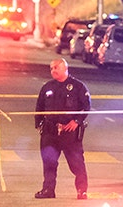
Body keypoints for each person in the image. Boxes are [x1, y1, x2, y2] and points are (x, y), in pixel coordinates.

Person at [34, 58, 91, 199]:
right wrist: (39, 124)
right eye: (51, 68)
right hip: (50, 132)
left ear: (65, 68)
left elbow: (86, 107)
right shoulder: (47, 87)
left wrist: (76, 121)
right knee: (49, 163)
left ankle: (82, 190)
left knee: (76, 163)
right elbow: (39, 107)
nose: (53, 70)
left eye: (56, 68)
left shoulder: (78, 87)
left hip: (69, 133)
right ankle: (48, 190)